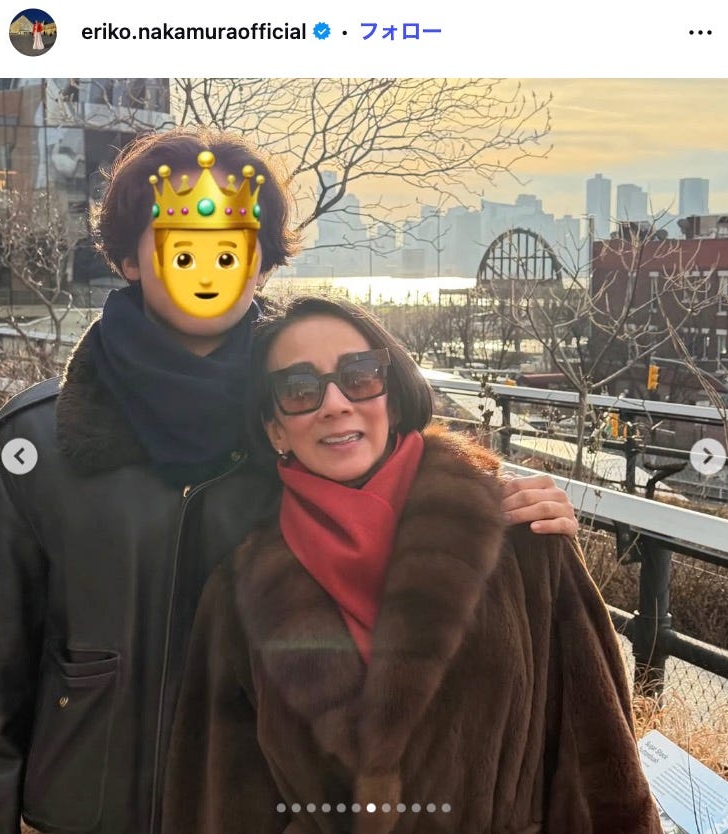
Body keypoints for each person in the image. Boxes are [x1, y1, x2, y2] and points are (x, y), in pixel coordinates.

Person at [0, 128, 579, 834]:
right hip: (87, 814)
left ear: (263, 264)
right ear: (126, 258)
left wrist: (494, 502)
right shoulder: (41, 446)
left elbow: (406, 483)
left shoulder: (308, 417)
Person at [162, 296, 662, 834]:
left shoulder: (520, 531)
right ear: (274, 429)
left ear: (393, 398)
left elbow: (602, 764)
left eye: (359, 376)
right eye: (300, 389)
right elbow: (217, 797)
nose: (335, 404)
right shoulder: (239, 595)